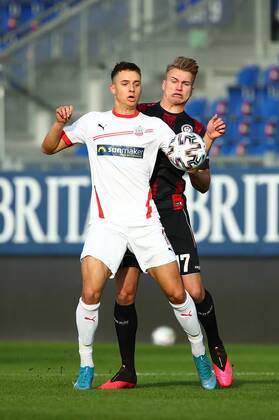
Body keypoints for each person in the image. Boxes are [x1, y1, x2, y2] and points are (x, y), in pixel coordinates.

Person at [41, 61, 219, 391]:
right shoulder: (94, 123)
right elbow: (49, 147)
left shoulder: (154, 127)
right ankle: (86, 365)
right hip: (106, 224)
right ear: (113, 88)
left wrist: (202, 145)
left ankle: (200, 356)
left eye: (136, 83)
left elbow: (187, 160)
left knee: (178, 293)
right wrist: (58, 124)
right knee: (92, 291)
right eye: (125, 83)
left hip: (145, 223)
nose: (132, 89)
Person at [99, 57, 233, 391]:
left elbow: (202, 183)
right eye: (174, 80)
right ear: (164, 83)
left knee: (194, 290)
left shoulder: (195, 128)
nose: (178, 87)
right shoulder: (139, 114)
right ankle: (127, 371)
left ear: (191, 88)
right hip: (134, 213)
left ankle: (215, 345)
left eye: (185, 83)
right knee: (126, 292)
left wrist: (204, 150)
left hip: (171, 210)